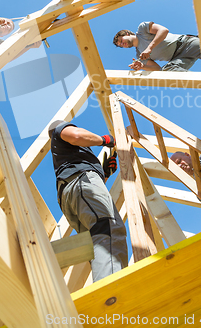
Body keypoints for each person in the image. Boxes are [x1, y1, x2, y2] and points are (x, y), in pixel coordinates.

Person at [48, 120, 128, 282]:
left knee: (98, 241)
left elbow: (85, 196)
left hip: (72, 196)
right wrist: (106, 140)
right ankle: (113, 290)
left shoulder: (69, 155)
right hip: (80, 183)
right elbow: (76, 136)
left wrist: (104, 173)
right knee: (108, 229)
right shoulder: (60, 130)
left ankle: (105, 286)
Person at [113, 21, 201, 72]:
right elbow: (157, 69)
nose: (122, 44)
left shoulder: (142, 29)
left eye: (121, 40)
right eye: (120, 45)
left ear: (127, 34)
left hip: (185, 43)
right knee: (166, 73)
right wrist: (143, 67)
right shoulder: (139, 55)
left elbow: (163, 30)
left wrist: (149, 48)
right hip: (177, 59)